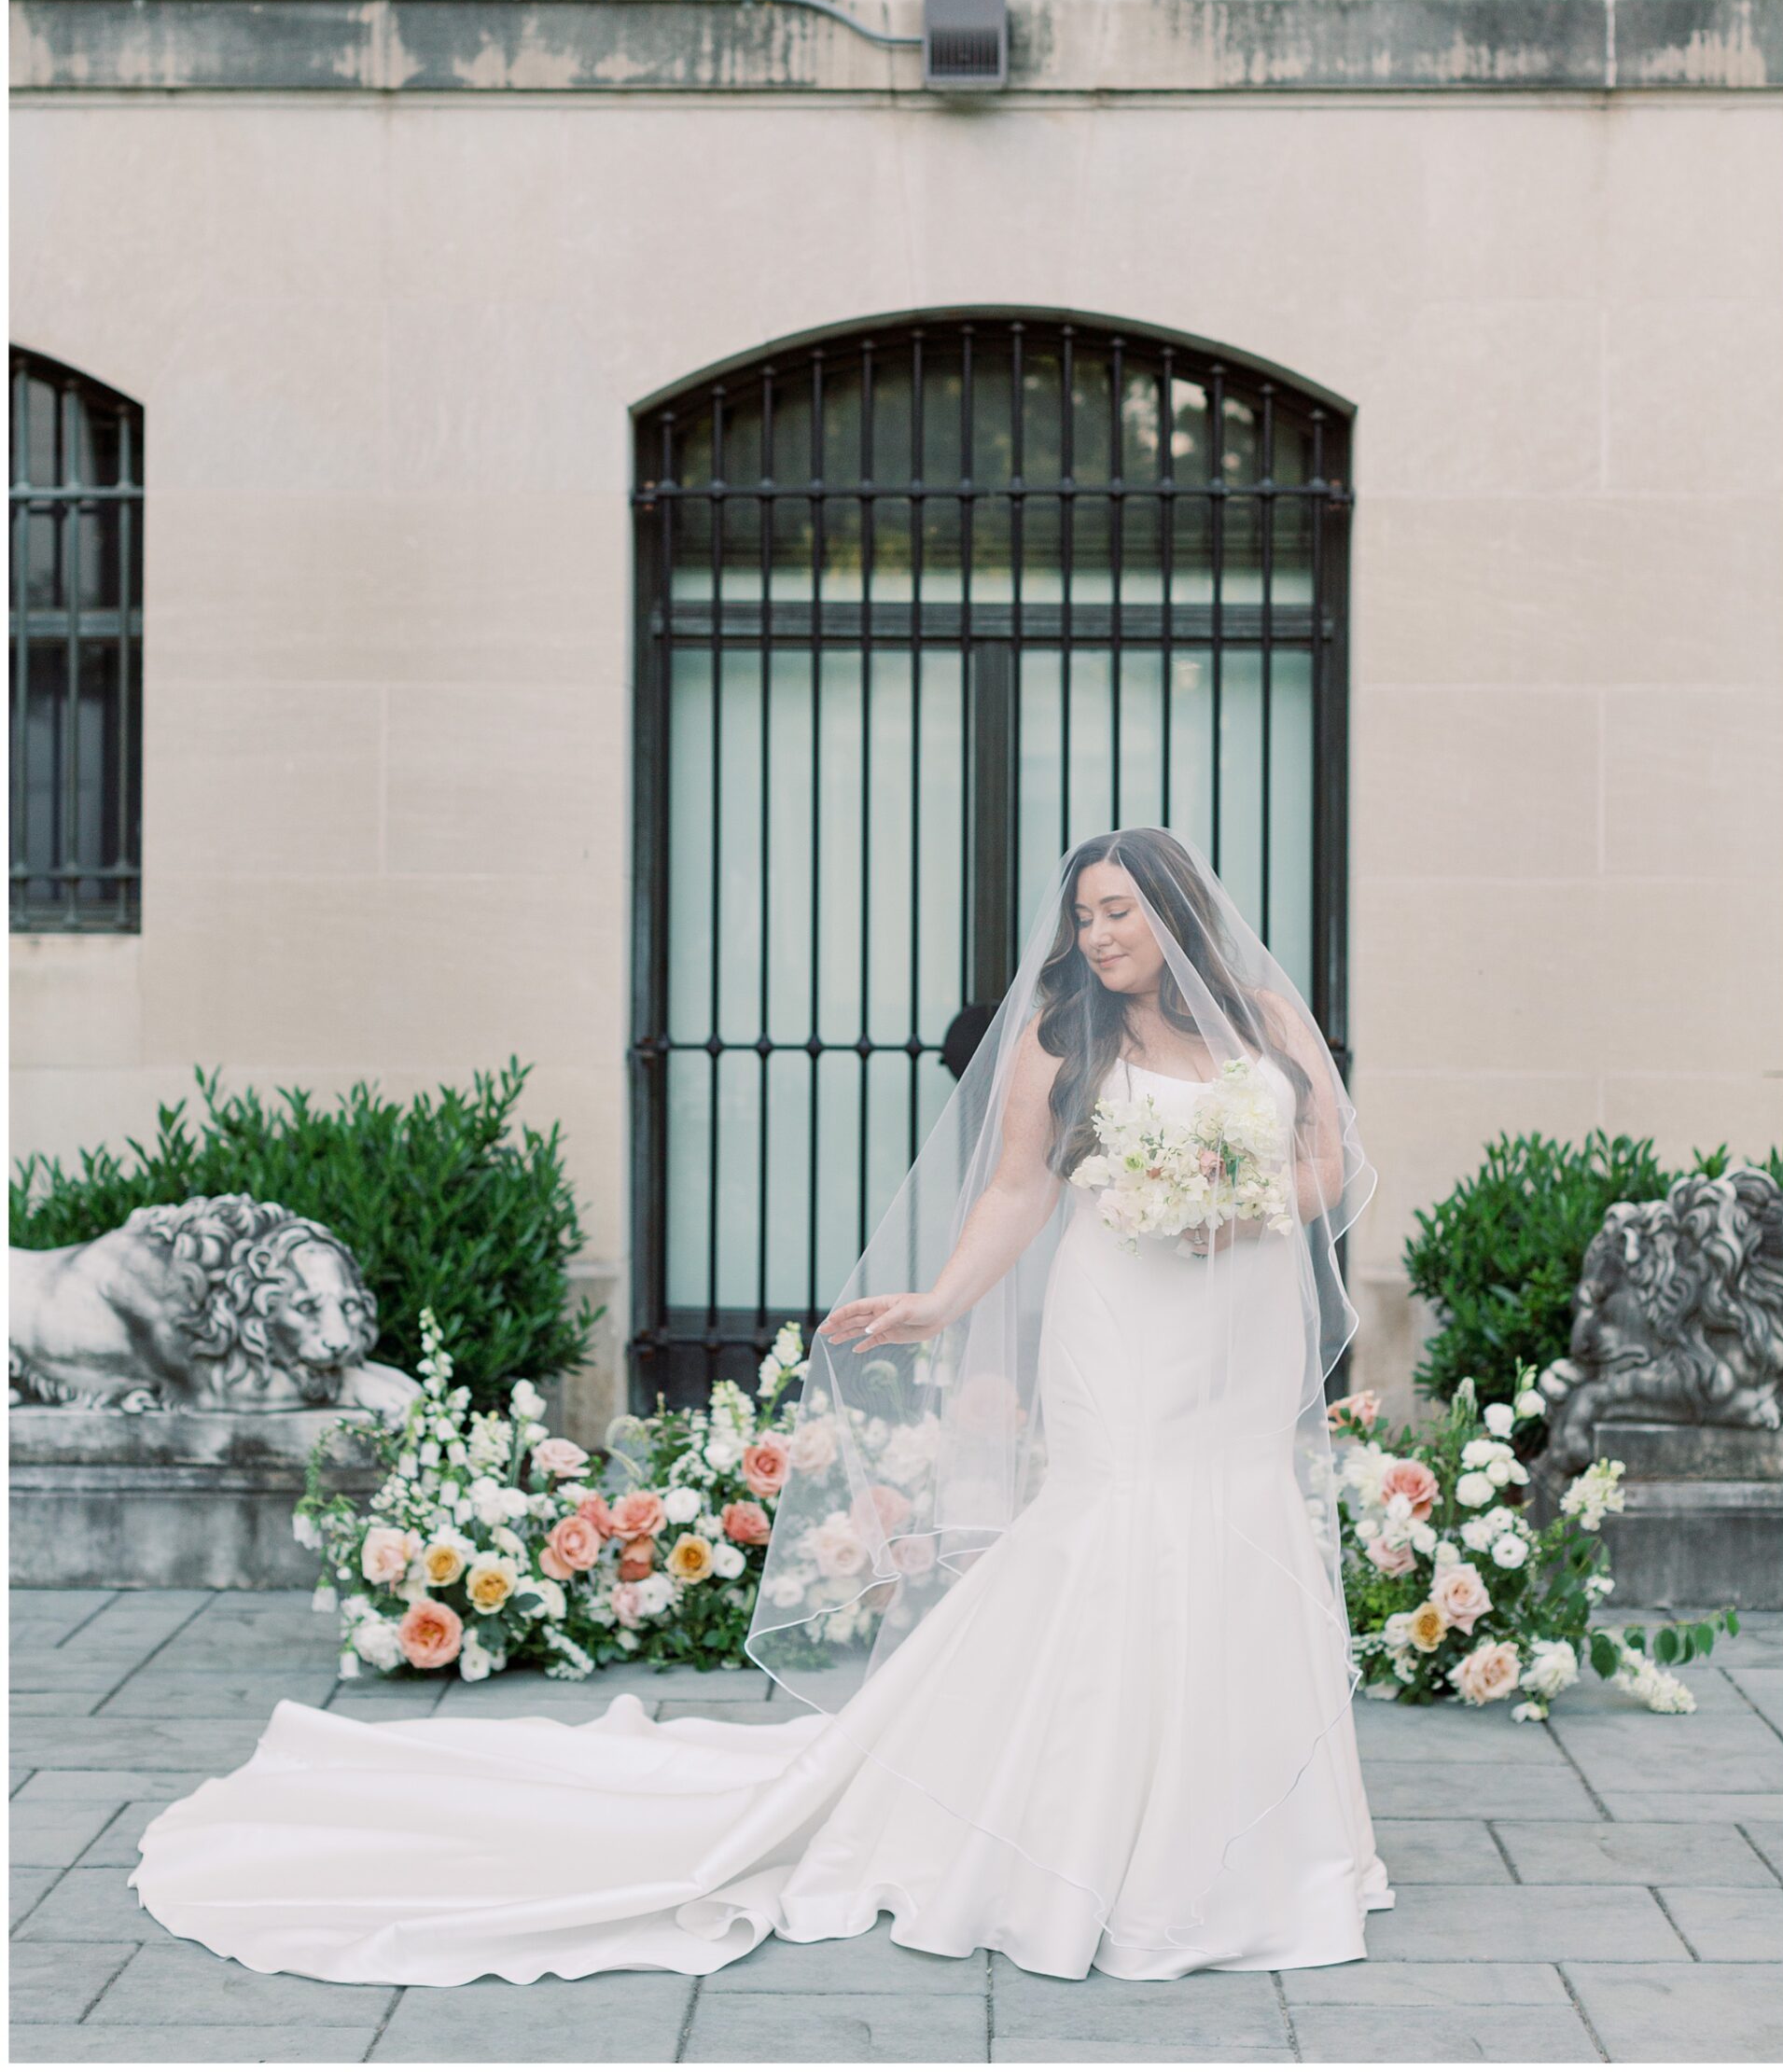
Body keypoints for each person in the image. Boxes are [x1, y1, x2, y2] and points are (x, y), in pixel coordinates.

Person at [131, 827, 1391, 1985]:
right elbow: (1016, 1190)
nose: (1097, 936)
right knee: (1117, 1534)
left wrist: (1254, 1198)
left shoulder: (1263, 1018)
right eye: (1083, 917)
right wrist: (940, 1302)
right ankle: (1087, 1839)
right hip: (1124, 1322)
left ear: (1174, 912)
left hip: (1238, 1325)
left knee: (1236, 1529)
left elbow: (1326, 1155)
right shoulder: (1065, 1041)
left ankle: (1251, 1847)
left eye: (1118, 912)